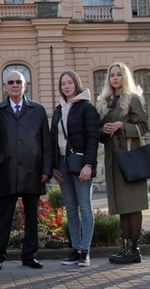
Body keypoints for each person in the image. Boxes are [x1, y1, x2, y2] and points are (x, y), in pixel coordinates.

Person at [0, 71, 53, 271]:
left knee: (32, 217)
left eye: (19, 81)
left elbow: (46, 142)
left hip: (33, 170)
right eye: (11, 82)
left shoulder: (38, 110)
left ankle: (30, 255)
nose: (15, 85)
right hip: (8, 170)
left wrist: (46, 169)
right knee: (4, 216)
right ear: (5, 86)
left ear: (25, 85)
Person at [96, 62, 149, 264]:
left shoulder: (132, 98)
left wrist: (121, 125)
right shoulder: (105, 101)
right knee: (121, 205)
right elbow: (99, 129)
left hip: (130, 158)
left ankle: (135, 249)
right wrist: (105, 130)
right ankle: (125, 247)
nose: (115, 78)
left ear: (125, 77)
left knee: (133, 205)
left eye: (119, 75)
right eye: (112, 75)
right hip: (112, 159)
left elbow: (143, 126)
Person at [50, 70, 99, 267]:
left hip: (80, 163)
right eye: (63, 84)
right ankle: (76, 249)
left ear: (76, 84)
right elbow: (53, 140)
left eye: (70, 83)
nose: (66, 86)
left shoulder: (87, 108)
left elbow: (92, 139)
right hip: (62, 163)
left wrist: (89, 165)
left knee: (84, 207)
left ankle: (85, 251)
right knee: (70, 208)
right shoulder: (58, 109)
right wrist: (53, 166)